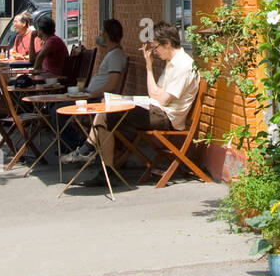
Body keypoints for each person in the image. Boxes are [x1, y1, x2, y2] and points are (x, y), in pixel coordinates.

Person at [83, 21, 199, 186]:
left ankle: (92, 154)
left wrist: (153, 83)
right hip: (155, 108)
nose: (154, 52)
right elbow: (154, 93)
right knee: (107, 106)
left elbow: (163, 99)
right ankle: (103, 165)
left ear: (167, 43)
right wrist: (149, 66)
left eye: (155, 47)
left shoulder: (183, 65)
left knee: (107, 112)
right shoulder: (171, 62)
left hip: (166, 118)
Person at [59, 19, 127, 161]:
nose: (100, 34)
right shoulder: (112, 53)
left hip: (97, 99)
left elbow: (111, 85)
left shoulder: (115, 56)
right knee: (58, 106)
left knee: (58, 110)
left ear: (107, 35)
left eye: (102, 31)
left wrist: (88, 94)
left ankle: (75, 146)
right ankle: (76, 146)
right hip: (91, 95)